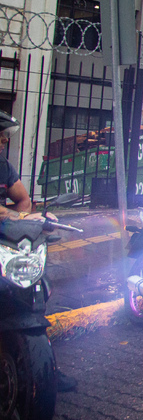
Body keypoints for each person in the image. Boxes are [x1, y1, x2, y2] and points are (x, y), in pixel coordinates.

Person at [0, 112, 78, 392]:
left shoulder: (3, 166)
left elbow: (23, 200)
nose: (3, 140)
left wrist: (21, 221)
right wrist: (19, 217)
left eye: (4, 135)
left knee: (35, 289)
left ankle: (44, 368)